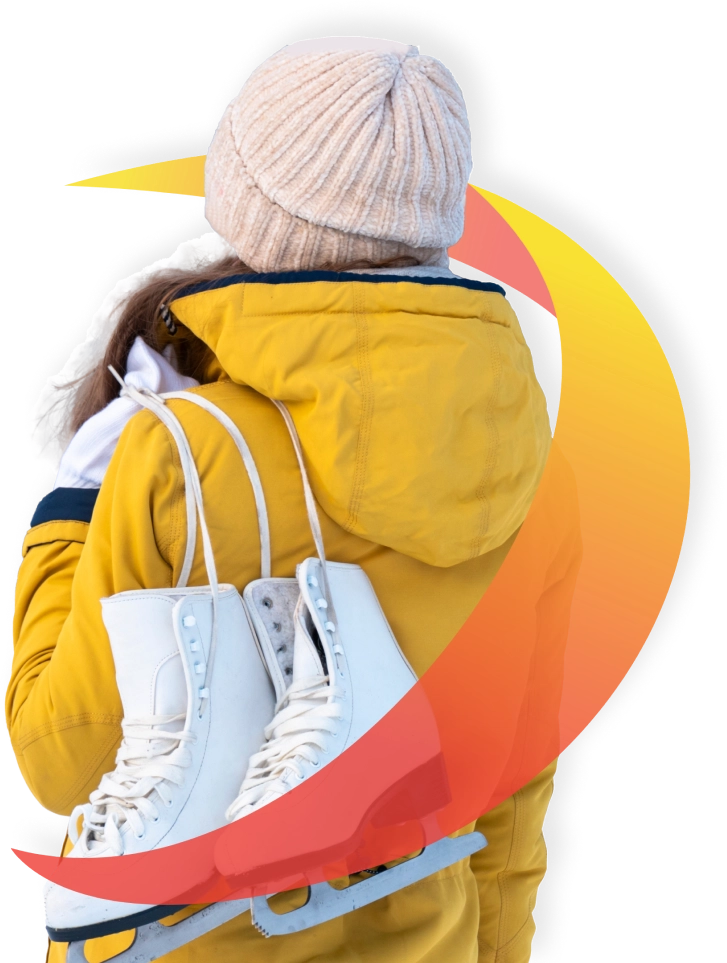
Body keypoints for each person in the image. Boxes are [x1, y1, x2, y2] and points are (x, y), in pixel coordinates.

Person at [8, 35, 558, 963]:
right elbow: (511, 780)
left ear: (244, 207)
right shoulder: (517, 447)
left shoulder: (175, 451)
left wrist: (72, 509)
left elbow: (65, 753)